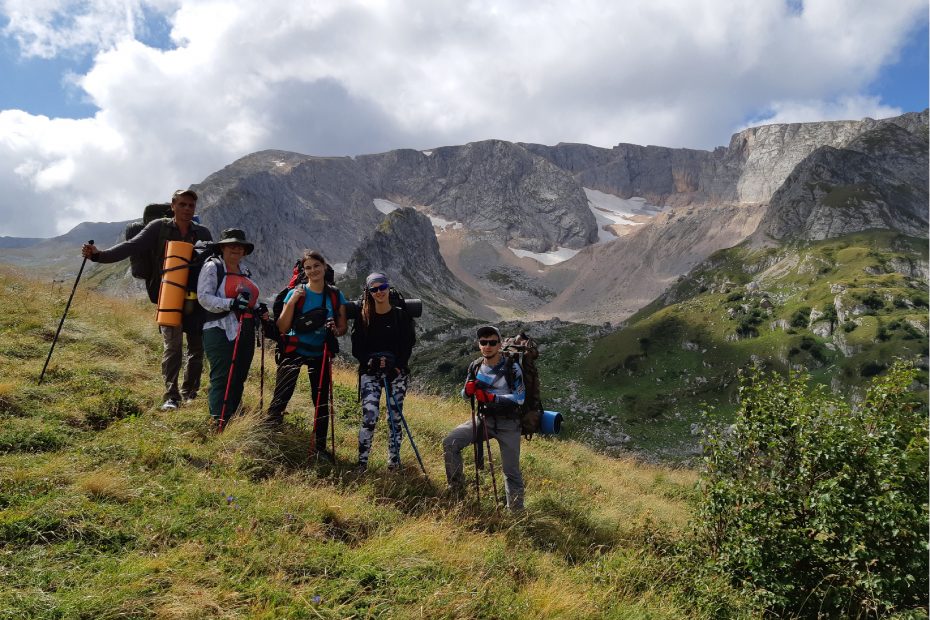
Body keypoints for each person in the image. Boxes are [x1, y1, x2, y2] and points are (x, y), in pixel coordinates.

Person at [82, 189, 212, 410]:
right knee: (173, 347)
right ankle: (171, 396)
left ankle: (190, 393)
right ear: (173, 205)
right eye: (183, 204)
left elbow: (213, 265)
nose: (187, 209)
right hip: (168, 294)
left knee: (196, 348)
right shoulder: (158, 228)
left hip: (196, 297)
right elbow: (131, 246)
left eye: (191, 206)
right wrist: (98, 255)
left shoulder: (202, 233)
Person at [266, 250, 347, 458]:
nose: (313, 271)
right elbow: (282, 327)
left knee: (320, 402)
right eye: (308, 268)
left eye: (316, 266)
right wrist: (292, 302)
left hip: (320, 352)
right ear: (304, 271)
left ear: (324, 267)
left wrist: (334, 330)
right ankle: (268, 435)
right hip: (294, 349)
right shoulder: (296, 292)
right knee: (282, 394)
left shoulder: (335, 295)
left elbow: (342, 328)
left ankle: (319, 448)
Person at [443, 325, 527, 511]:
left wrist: (492, 398)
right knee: (451, 442)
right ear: (479, 345)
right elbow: (464, 395)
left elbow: (520, 399)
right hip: (484, 420)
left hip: (509, 423)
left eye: (492, 342)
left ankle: (516, 514)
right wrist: (468, 390)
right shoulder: (475, 366)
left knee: (511, 471)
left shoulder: (513, 368)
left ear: (499, 345)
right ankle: (456, 493)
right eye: (483, 342)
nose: (487, 346)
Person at [196, 228, 268, 425]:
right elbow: (204, 297)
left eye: (240, 246)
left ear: (245, 251)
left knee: (239, 376)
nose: (236, 249)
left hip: (245, 330)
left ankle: (233, 419)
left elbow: (247, 300)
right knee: (223, 376)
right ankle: (219, 421)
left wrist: (258, 308)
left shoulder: (245, 272)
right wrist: (230, 304)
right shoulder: (213, 267)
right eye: (231, 245)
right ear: (222, 247)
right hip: (219, 328)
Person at [350, 272, 416, 472]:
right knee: (369, 416)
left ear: (388, 288)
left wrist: (396, 368)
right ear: (369, 292)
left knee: (395, 418)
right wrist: (369, 362)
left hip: (396, 372)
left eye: (382, 287)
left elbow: (408, 345)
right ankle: (362, 463)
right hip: (370, 372)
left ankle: (393, 464)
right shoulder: (363, 317)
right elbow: (357, 348)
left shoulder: (401, 315)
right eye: (374, 289)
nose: (379, 292)